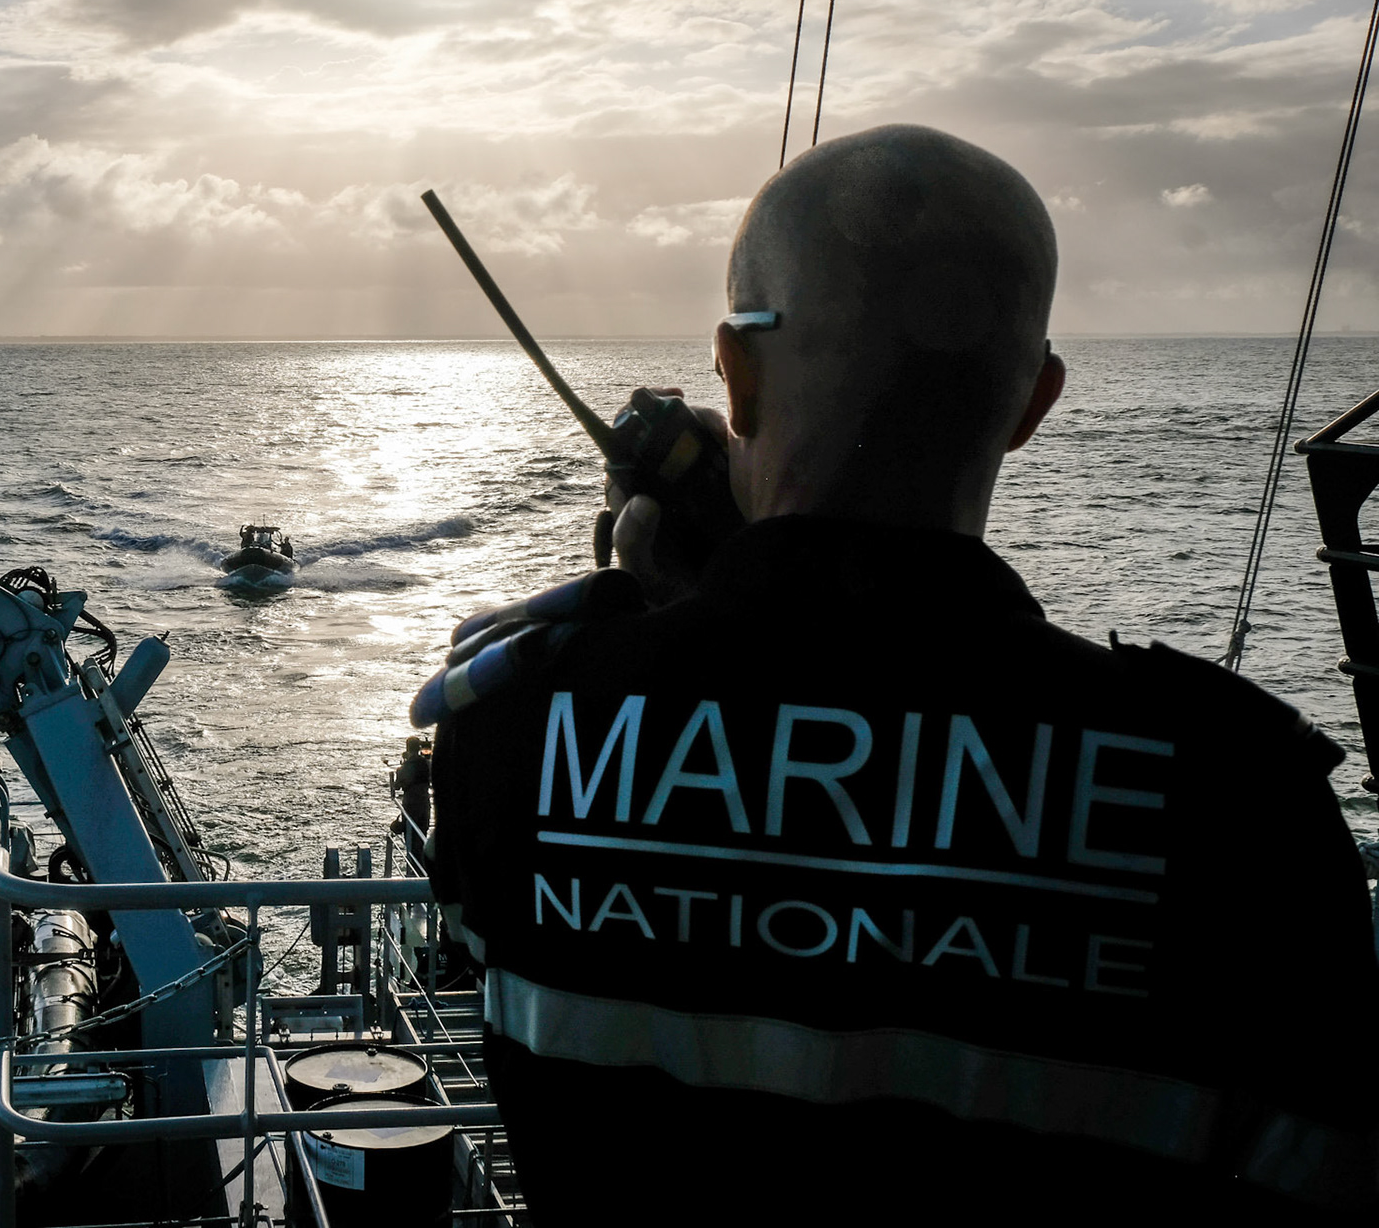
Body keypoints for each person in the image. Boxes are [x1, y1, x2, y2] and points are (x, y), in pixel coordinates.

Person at [416, 124, 1379, 1222]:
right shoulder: (1246, 803)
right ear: (1032, 404)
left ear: (733, 375)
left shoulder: (520, 724)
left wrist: (689, 607)